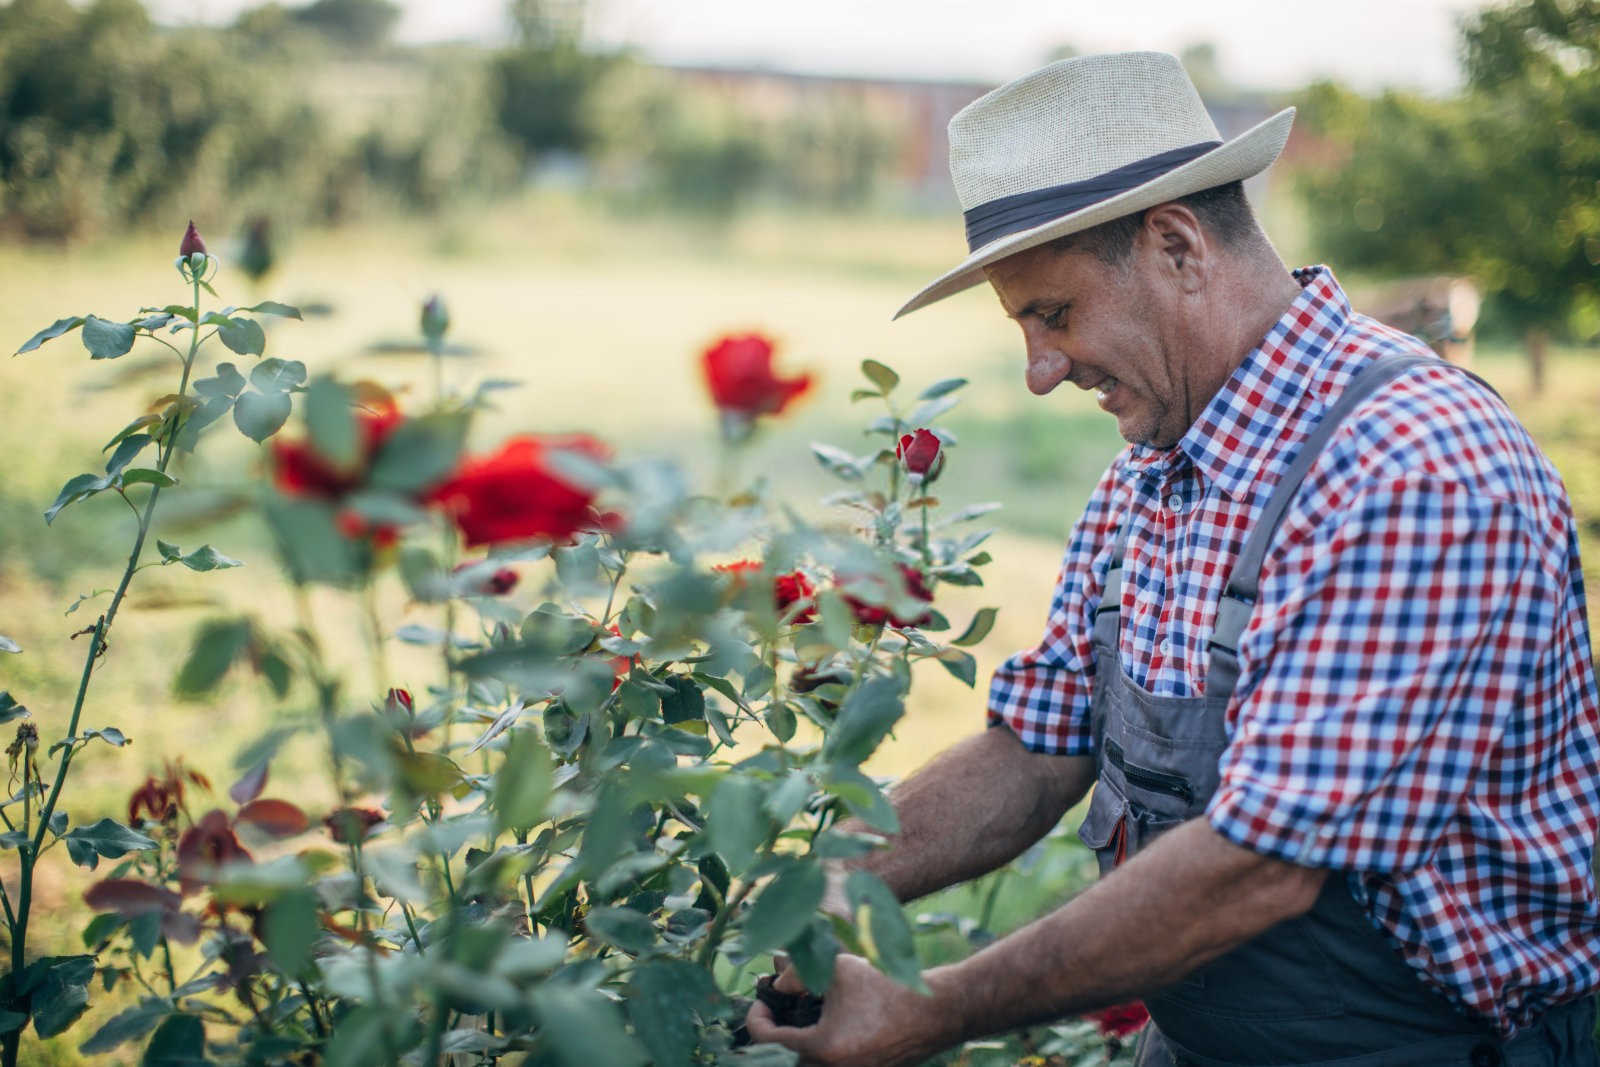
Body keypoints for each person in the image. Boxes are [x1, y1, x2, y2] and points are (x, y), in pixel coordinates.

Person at [744, 51, 1600, 1067]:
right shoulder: (1154, 466)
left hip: (1434, 1045)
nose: (1038, 371)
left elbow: (1263, 863)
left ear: (1178, 245)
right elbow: (1040, 742)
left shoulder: (1413, 464)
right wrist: (838, 880)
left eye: (1051, 314)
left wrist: (932, 1006)